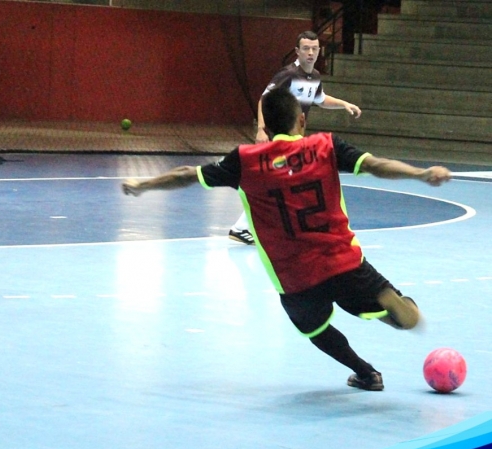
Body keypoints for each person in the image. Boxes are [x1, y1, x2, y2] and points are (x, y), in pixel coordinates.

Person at [122, 87, 451, 391]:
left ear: (265, 126)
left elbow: (185, 176)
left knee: (316, 330)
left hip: (296, 278)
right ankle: (389, 306)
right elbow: (376, 166)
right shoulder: (325, 146)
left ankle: (366, 373)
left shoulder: (246, 160)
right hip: (344, 262)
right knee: (395, 309)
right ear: (302, 120)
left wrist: (143, 185)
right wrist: (420, 174)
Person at [229, 30, 362, 245]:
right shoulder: (288, 74)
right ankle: (243, 227)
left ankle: (251, 227)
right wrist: (261, 129)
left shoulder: (315, 76)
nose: (311, 52)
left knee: (283, 182)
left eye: (314, 48)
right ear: (297, 51)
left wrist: (344, 104)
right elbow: (265, 99)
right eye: (306, 48)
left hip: (296, 139)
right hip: (281, 137)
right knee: (279, 181)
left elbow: (320, 99)